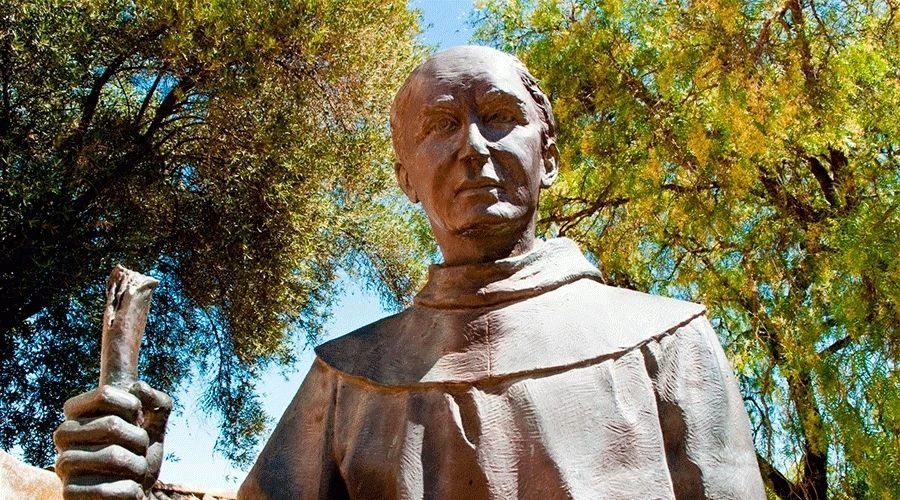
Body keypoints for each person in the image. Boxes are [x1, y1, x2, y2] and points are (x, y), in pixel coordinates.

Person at [55, 46, 765, 499]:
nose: (474, 148)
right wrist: (127, 486)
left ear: (547, 154)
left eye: (497, 115)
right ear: (404, 175)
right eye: (439, 126)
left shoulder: (666, 343)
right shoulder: (347, 378)